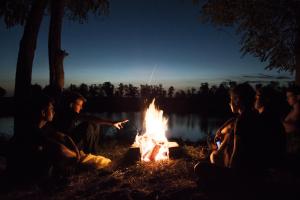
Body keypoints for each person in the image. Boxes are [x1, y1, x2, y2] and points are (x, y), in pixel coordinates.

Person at [53, 92, 128, 154]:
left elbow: (89, 119)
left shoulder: (72, 115)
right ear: (71, 105)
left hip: (72, 142)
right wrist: (111, 122)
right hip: (67, 145)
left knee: (95, 124)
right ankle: (90, 154)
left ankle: (93, 152)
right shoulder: (67, 113)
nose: (81, 108)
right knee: (88, 125)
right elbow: (87, 118)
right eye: (79, 105)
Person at [254, 87, 286, 168]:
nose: (254, 98)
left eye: (257, 96)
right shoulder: (269, 117)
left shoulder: (265, 119)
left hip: (266, 165)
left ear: (267, 99)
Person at [282, 85, 300, 156]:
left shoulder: (298, 112)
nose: (287, 99)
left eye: (289, 96)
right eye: (287, 97)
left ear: (298, 97)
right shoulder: (292, 110)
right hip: (289, 146)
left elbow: (294, 129)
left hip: (295, 148)